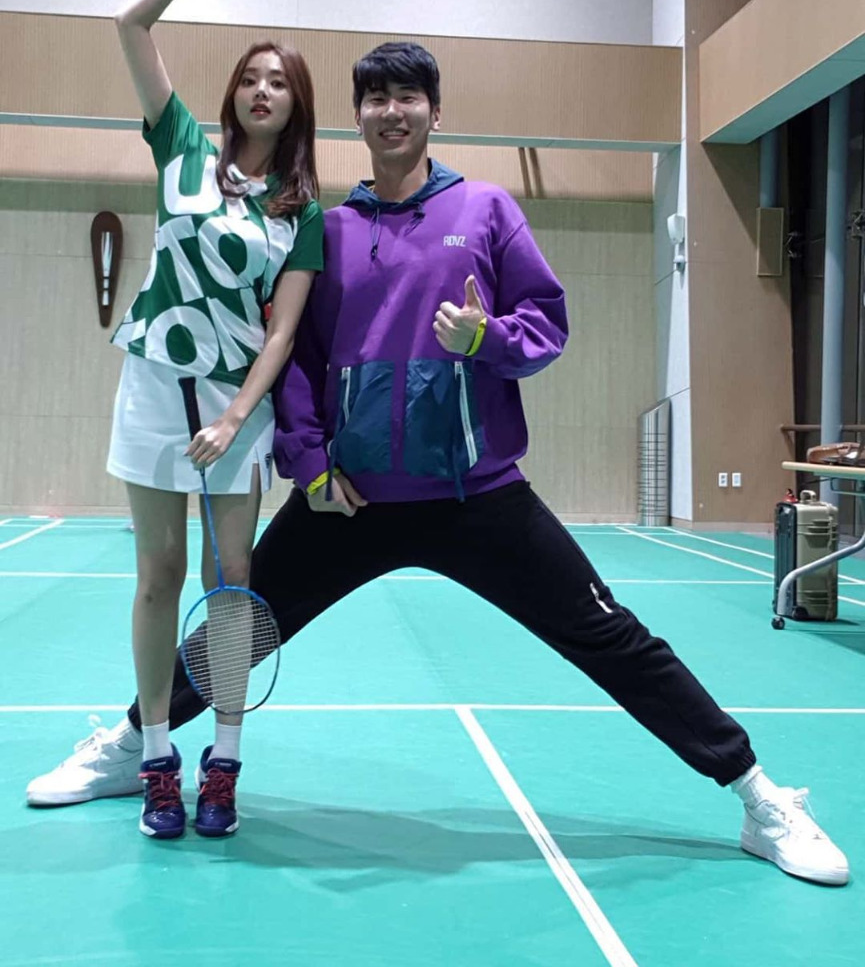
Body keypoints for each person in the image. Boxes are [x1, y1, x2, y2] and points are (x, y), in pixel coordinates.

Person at [28, 43, 848, 886]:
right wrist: (310, 464)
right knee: (238, 625)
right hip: (351, 499)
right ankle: (132, 744)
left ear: (434, 110)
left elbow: (546, 324)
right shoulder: (329, 231)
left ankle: (757, 797)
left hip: (476, 496)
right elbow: (298, 359)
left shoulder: (486, 210)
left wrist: (487, 337)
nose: (392, 112)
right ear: (358, 116)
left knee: (609, 635)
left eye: (408, 97)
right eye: (376, 98)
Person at [94, 0, 323, 839]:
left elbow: (283, 331)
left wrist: (235, 417)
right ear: (232, 93)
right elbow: (130, 23)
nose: (262, 90)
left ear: (295, 105)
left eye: (279, 82)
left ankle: (223, 763)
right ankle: (156, 760)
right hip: (155, 387)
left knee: (232, 581)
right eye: (250, 78)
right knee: (159, 574)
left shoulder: (300, 212)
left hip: (237, 409)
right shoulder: (183, 149)